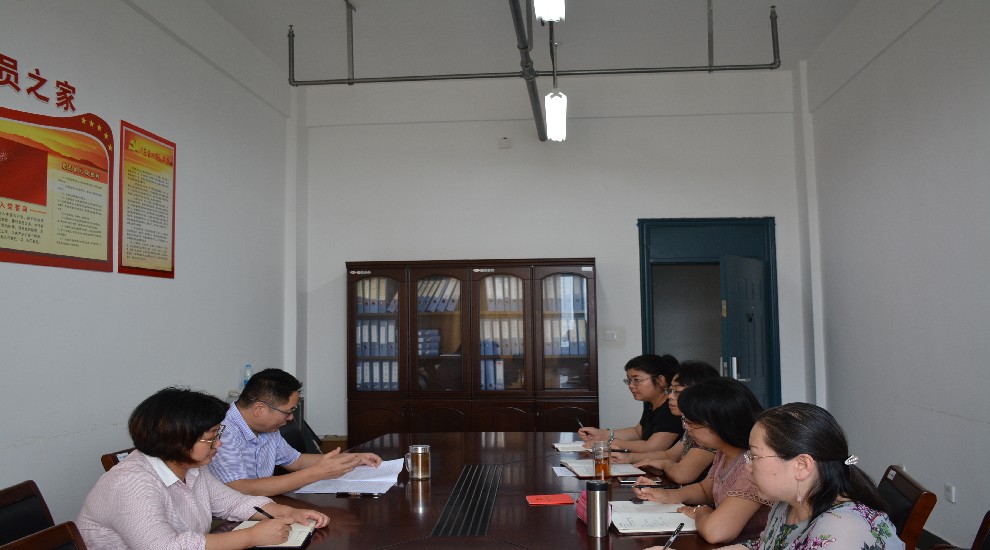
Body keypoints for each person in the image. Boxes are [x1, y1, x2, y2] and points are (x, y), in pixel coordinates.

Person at [76, 387, 330, 549]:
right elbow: (164, 547)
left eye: (218, 434)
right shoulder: (131, 483)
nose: (218, 444)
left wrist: (289, 512)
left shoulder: (191, 468)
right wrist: (251, 537)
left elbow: (233, 503)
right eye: (211, 437)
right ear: (177, 439)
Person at [714, 403, 904, 550]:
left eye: (755, 456)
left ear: (802, 465)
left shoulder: (839, 531)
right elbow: (762, 546)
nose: (748, 466)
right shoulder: (786, 505)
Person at [634, 377, 771, 545]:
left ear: (720, 425)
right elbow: (706, 490)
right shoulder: (724, 452)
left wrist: (700, 512)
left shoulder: (751, 466)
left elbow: (717, 532)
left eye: (690, 423)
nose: (686, 428)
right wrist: (668, 495)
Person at [210, 368, 382, 496]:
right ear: (259, 409)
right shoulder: (222, 431)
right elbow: (242, 488)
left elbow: (296, 461)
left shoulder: (268, 429)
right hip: (231, 519)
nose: (291, 418)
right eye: (287, 411)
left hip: (264, 506)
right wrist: (317, 473)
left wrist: (352, 459)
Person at [612, 360, 721, 484]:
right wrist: (627, 458)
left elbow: (682, 475)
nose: (670, 396)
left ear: (701, 394)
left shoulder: (709, 428)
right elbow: (670, 455)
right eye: (670, 391)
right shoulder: (693, 423)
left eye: (677, 392)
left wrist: (664, 464)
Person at [578, 354, 683, 452]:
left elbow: (653, 447)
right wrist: (602, 434)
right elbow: (638, 432)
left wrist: (609, 442)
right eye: (629, 380)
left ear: (660, 381)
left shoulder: (672, 407)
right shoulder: (651, 403)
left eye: (636, 380)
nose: (631, 386)